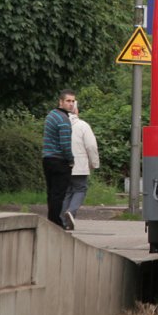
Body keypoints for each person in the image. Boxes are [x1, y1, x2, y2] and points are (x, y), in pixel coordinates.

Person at [61, 102, 100, 231]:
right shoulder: (83, 126)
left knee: (67, 191)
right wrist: (94, 163)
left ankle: (62, 220)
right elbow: (91, 146)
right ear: (76, 111)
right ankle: (71, 212)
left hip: (62, 165)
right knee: (80, 189)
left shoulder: (59, 125)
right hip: (79, 165)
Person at [42, 89, 75, 227]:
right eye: (68, 101)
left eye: (73, 101)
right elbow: (65, 144)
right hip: (59, 160)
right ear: (60, 102)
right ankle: (55, 222)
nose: (71, 104)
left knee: (51, 192)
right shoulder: (63, 120)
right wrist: (71, 160)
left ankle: (52, 220)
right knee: (59, 194)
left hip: (47, 158)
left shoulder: (51, 115)